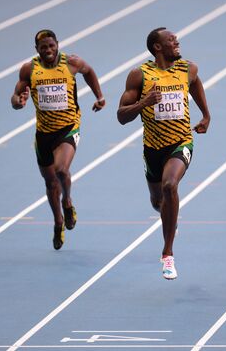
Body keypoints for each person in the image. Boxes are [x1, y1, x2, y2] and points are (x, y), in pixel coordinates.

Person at [117, 27, 211, 280]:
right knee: (159, 201)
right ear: (158, 47)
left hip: (181, 143)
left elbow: (195, 84)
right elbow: (121, 116)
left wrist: (205, 114)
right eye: (171, 40)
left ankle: (167, 254)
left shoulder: (187, 69)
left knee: (171, 186)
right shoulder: (140, 75)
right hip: (152, 148)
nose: (177, 41)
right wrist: (143, 104)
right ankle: (169, 217)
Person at [11, 29, 105, 250]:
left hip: (68, 128)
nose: (48, 50)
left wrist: (99, 96)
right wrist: (18, 101)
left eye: (51, 46)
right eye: (43, 47)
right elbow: (15, 95)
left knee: (61, 170)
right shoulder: (29, 69)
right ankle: (58, 222)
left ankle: (68, 202)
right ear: (37, 50)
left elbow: (89, 71)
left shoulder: (71, 62)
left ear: (57, 45)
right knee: (50, 182)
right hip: (43, 133)